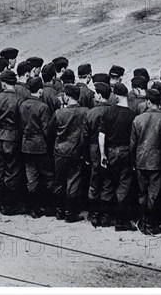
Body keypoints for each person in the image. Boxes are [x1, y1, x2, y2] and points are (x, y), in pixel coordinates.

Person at [130, 88, 161, 235]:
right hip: (157, 161)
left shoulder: (138, 119)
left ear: (147, 102)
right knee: (154, 193)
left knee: (142, 193)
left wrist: (133, 160)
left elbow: (133, 144)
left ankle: (143, 221)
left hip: (141, 160)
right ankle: (150, 223)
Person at [99, 83, 137, 231]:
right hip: (125, 151)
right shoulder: (132, 115)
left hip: (110, 150)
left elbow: (101, 135)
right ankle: (121, 221)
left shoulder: (108, 112)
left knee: (108, 184)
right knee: (123, 185)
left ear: (116, 95)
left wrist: (102, 154)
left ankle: (104, 218)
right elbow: (133, 140)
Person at [49, 84, 88, 222]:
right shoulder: (85, 112)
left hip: (60, 151)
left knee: (59, 181)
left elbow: (51, 131)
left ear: (66, 96)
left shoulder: (59, 113)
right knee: (73, 182)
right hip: (76, 152)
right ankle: (70, 213)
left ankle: (59, 211)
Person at [0, 70, 27, 215]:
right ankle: (9, 205)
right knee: (12, 171)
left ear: (3, 83)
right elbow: (22, 122)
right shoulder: (20, 100)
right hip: (13, 137)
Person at [19, 77, 55, 218]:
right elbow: (47, 129)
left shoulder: (23, 105)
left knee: (31, 176)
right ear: (40, 90)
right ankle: (47, 206)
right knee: (48, 176)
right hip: (40, 146)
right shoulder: (43, 107)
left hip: (26, 144)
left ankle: (32, 208)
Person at [83, 82, 112, 227]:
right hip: (110, 148)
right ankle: (106, 216)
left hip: (94, 148)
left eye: (95, 94)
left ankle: (94, 215)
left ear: (100, 96)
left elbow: (85, 136)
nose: (94, 96)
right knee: (108, 181)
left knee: (94, 181)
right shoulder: (113, 112)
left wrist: (86, 156)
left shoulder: (90, 113)